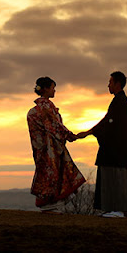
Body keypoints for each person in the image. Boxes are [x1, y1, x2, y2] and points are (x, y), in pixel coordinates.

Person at [77, 71, 127, 217]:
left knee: (115, 179)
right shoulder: (119, 101)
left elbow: (108, 124)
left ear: (117, 83)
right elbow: (106, 122)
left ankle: (117, 209)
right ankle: (112, 209)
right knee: (111, 179)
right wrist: (90, 132)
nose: (108, 85)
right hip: (115, 150)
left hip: (115, 151)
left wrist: (89, 132)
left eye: (110, 82)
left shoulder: (121, 101)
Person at [27, 76, 86, 213]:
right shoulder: (45, 107)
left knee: (48, 173)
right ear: (46, 89)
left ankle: (50, 201)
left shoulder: (38, 109)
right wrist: (69, 135)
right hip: (49, 148)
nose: (55, 90)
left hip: (43, 148)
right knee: (53, 173)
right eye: (53, 87)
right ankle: (51, 201)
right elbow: (54, 126)